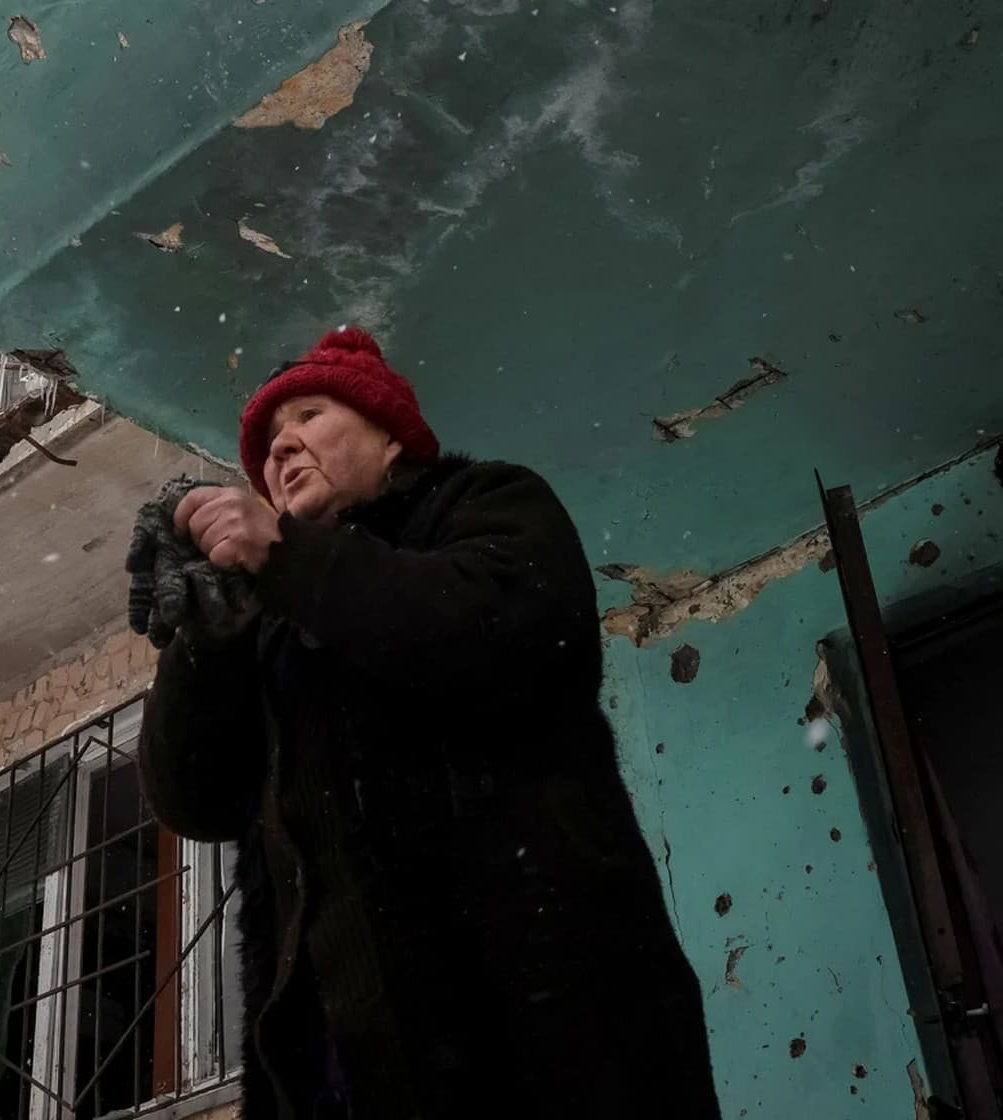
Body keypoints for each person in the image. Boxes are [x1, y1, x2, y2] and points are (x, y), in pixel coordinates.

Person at [138, 328, 721, 1118]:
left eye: (308, 416)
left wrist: (284, 555)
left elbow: (499, 629)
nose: (281, 448)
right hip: (339, 1077)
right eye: (269, 442)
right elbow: (193, 799)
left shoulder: (486, 504)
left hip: (542, 1043)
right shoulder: (269, 626)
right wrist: (207, 639)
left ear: (390, 436)